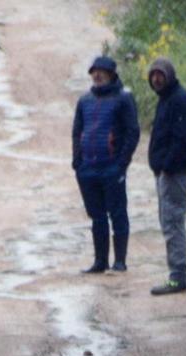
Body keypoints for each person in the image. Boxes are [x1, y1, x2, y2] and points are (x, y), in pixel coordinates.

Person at [72, 56, 140, 274]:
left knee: (118, 213)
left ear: (112, 74)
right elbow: (77, 131)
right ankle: (100, 261)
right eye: (94, 71)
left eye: (101, 71)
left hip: (112, 167)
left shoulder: (123, 99)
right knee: (97, 216)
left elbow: (133, 132)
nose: (97, 75)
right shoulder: (84, 101)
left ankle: (120, 261)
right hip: (88, 168)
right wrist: (77, 162)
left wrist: (121, 164)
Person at [146, 56, 186, 295]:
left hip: (175, 173)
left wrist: (167, 166)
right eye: (153, 75)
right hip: (167, 172)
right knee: (168, 221)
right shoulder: (167, 99)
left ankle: (178, 276)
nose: (156, 79)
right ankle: (177, 274)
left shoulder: (181, 101)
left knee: (173, 222)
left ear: (169, 76)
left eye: (160, 74)